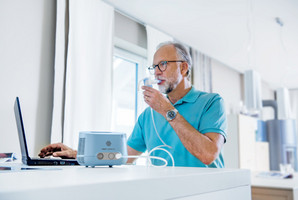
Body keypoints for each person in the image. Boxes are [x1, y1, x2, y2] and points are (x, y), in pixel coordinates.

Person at [39, 41, 227, 167]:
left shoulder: (211, 102)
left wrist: (167, 110)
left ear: (183, 67)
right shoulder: (148, 116)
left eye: (162, 64)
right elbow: (123, 156)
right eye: (154, 67)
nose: (156, 72)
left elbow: (208, 155)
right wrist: (77, 154)